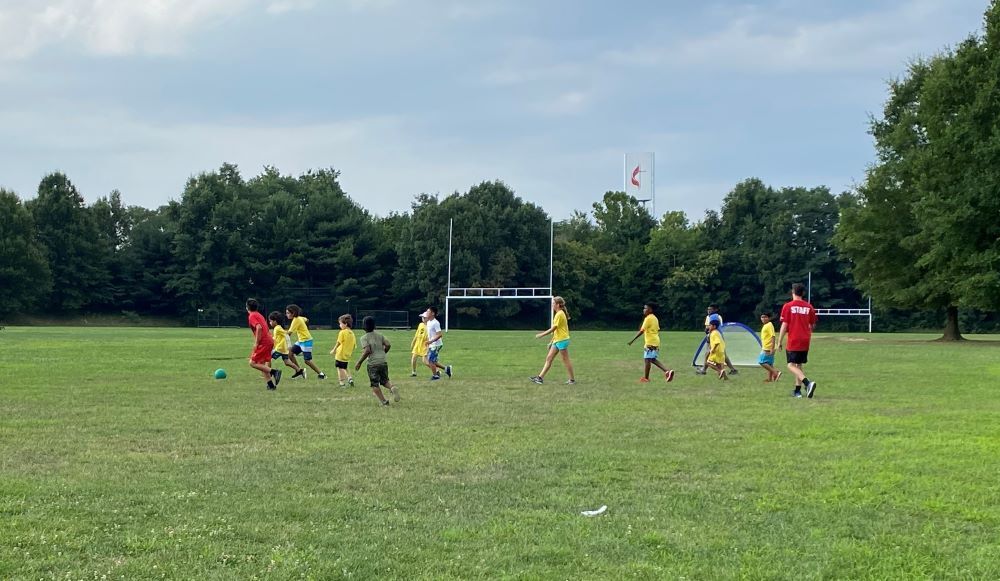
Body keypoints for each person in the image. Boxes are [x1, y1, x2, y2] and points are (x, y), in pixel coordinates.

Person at [777, 283, 818, 398]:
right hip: (805, 339)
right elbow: (812, 325)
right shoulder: (809, 307)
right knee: (798, 365)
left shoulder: (788, 306)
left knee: (790, 365)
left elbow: (784, 325)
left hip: (794, 339)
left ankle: (808, 383)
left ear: (793, 292)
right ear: (803, 293)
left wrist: (779, 341)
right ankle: (797, 391)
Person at [354, 316, 400, 406]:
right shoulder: (380, 335)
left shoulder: (364, 338)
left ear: (363, 326)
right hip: (383, 361)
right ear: (374, 325)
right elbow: (388, 344)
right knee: (385, 380)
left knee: (374, 384)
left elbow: (367, 351)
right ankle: (392, 387)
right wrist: (384, 352)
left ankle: (384, 401)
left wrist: (359, 362)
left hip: (373, 364)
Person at [530, 296, 576, 385]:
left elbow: (553, 329)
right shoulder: (558, 313)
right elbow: (557, 331)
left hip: (562, 340)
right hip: (557, 340)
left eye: (553, 303)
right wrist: (551, 342)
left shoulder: (559, 314)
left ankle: (572, 380)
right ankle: (540, 378)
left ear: (558, 305)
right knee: (549, 358)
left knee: (566, 360)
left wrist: (541, 335)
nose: (552, 305)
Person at [627, 302, 674, 383]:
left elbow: (642, 331)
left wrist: (632, 340)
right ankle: (663, 373)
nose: (644, 310)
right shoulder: (655, 318)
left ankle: (663, 372)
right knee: (651, 359)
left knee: (648, 359)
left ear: (650, 310)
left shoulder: (648, 318)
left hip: (650, 342)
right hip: (656, 341)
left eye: (645, 308)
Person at [285, 304, 326, 380]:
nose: (286, 314)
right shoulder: (300, 318)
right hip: (301, 340)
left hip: (306, 341)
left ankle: (322, 374)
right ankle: (299, 371)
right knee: (290, 354)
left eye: (288, 313)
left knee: (307, 360)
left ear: (293, 313)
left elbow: (289, 334)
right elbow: (307, 320)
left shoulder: (296, 320)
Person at [246, 299, 279, 390]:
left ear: (247, 307)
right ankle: (271, 386)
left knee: (252, 363)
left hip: (264, 342)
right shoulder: (259, 315)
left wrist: (256, 342)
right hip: (269, 340)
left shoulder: (252, 316)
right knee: (261, 364)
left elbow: (259, 328)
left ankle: (274, 372)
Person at [697, 304, 738, 375]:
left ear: (715, 310)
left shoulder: (715, 316)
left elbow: (712, 326)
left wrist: (708, 331)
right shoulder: (710, 316)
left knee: (709, 353)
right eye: (708, 309)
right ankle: (732, 370)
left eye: (711, 309)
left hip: (715, 336)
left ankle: (705, 370)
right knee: (718, 354)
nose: (709, 311)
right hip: (713, 336)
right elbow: (708, 327)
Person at [269, 311, 303, 378]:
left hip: (280, 349)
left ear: (275, 321)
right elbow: (276, 338)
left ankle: (268, 372)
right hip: (283, 349)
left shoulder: (278, 328)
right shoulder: (278, 328)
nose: (269, 323)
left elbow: (286, 335)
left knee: (267, 358)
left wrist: (289, 345)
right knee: (287, 362)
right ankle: (299, 370)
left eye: (270, 321)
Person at [422, 306, 452, 381]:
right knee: (433, 361)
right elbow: (431, 334)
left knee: (430, 360)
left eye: (428, 312)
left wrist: (431, 341)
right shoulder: (428, 322)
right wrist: (428, 342)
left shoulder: (435, 323)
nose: (427, 313)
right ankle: (446, 369)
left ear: (432, 313)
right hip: (432, 344)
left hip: (436, 344)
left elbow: (439, 334)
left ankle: (435, 376)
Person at [331, 314, 357, 387]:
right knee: (345, 367)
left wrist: (334, 349)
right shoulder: (352, 333)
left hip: (340, 354)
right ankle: (350, 378)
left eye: (340, 323)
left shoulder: (342, 332)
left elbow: (338, 342)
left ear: (345, 324)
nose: (339, 325)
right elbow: (354, 345)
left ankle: (342, 383)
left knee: (340, 368)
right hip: (347, 354)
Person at [758, 312, 781, 383]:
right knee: (769, 363)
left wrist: (772, 348)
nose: (763, 318)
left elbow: (773, 336)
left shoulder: (769, 325)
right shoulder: (766, 325)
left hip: (768, 347)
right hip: (768, 346)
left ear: (769, 318)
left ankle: (776, 372)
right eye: (762, 317)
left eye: (765, 317)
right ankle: (770, 379)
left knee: (761, 362)